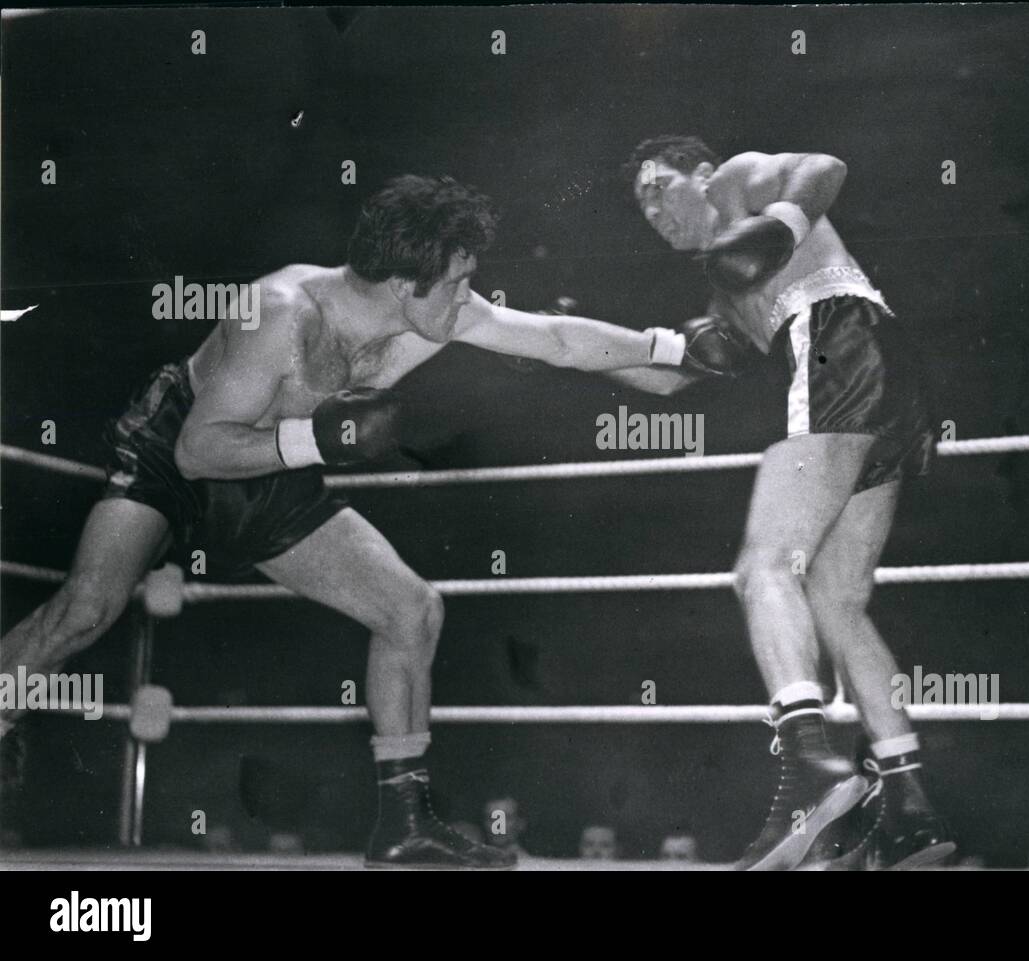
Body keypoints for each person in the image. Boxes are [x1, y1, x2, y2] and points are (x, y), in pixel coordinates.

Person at [0, 173, 732, 869]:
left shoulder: (433, 312)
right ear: (402, 280)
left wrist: (672, 352)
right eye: (456, 282)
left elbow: (559, 339)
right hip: (179, 448)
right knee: (84, 610)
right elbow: (198, 450)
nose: (468, 296)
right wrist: (320, 440)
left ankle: (405, 824)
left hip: (272, 472)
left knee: (410, 609)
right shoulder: (282, 311)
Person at [610, 135, 954, 870]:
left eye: (659, 185)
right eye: (640, 202)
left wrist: (778, 226)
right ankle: (910, 805)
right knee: (837, 599)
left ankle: (811, 773)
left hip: (838, 341)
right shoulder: (725, 292)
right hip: (887, 375)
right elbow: (674, 376)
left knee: (763, 568)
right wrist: (581, 359)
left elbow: (827, 167)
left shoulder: (738, 181)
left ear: (700, 175)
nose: (652, 208)